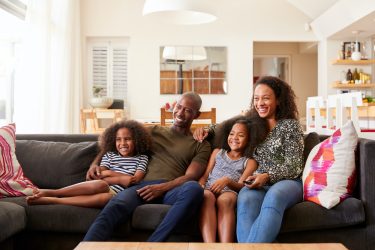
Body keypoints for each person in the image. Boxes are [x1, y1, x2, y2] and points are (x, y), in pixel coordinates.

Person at [83, 92, 211, 242]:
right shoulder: (153, 131)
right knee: (113, 207)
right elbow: (113, 143)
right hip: (140, 187)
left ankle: (152, 245)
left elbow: (191, 176)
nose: (180, 113)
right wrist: (94, 164)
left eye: (188, 110)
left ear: (197, 115)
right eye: (179, 106)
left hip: (171, 189)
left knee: (194, 189)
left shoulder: (201, 144)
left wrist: (161, 188)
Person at [194, 76, 304, 243]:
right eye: (256, 98)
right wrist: (204, 130)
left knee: (274, 197)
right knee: (244, 198)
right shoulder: (253, 122)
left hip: (287, 181)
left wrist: (266, 176)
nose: (260, 103)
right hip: (256, 182)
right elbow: (224, 127)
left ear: (279, 100)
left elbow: (294, 166)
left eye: (266, 98)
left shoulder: (290, 126)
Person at [26, 120, 152, 208]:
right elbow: (99, 175)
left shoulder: (141, 158)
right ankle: (54, 192)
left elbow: (135, 179)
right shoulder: (109, 155)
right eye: (118, 139)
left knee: (107, 199)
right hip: (101, 185)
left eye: (127, 139)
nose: (122, 143)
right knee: (100, 184)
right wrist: (118, 178)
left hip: (117, 194)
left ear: (137, 140)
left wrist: (109, 174)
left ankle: (52, 200)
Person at [198, 116, 267, 242]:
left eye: (240, 135)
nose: (234, 138)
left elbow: (242, 186)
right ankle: (209, 246)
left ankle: (226, 246)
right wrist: (200, 185)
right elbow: (205, 175)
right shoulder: (217, 152)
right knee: (206, 196)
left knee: (225, 200)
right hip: (210, 188)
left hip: (230, 191)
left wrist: (227, 181)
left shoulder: (249, 162)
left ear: (249, 140)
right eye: (232, 134)